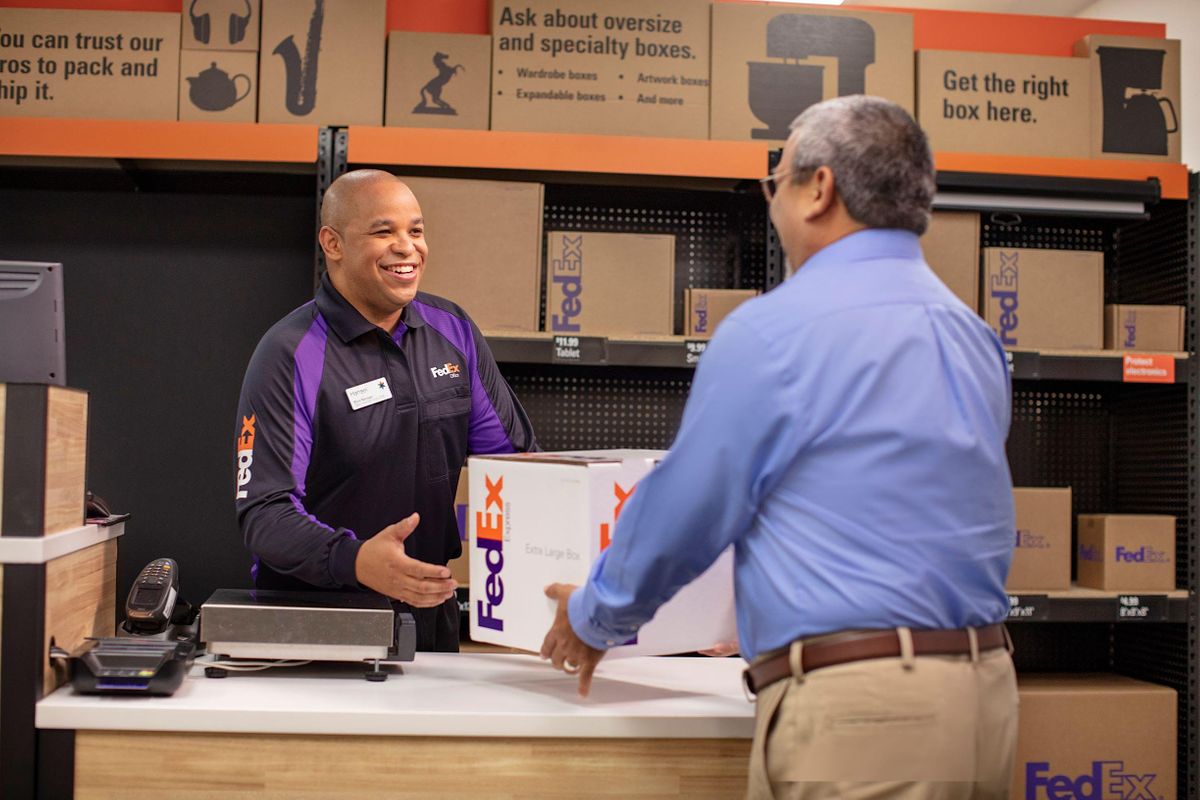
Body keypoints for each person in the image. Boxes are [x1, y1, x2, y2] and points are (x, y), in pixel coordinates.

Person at [540, 96, 1018, 799]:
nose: (772, 201)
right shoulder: (971, 335)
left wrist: (594, 617)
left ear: (819, 189)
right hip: (986, 698)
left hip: (864, 719)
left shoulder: (777, 331)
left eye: (777, 179)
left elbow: (687, 511)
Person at [235, 169, 537, 652]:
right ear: (332, 243)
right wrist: (353, 560)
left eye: (415, 231)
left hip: (429, 613)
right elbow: (265, 514)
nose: (407, 248)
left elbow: (518, 469)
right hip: (314, 621)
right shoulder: (290, 353)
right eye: (383, 232)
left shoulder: (453, 330)